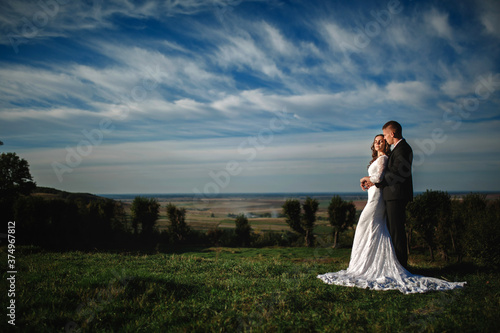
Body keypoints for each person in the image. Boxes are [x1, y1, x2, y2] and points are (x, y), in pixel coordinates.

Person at [317, 132, 466, 294]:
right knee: (372, 229)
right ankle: (366, 261)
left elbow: (379, 177)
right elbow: (377, 179)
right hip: (373, 194)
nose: (378, 143)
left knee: (367, 226)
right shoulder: (378, 159)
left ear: (386, 144)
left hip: (377, 198)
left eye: (381, 141)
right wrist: (368, 181)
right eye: (375, 141)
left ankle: (370, 264)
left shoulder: (384, 159)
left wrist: (364, 178)